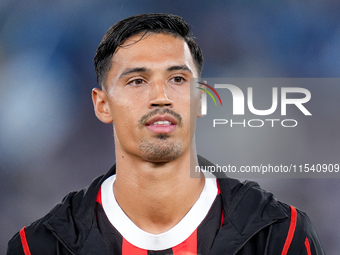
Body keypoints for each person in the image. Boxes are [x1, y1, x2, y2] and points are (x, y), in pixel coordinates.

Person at [7, 13, 324, 255]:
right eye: (137, 81)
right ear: (102, 104)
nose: (160, 96)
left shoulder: (280, 235)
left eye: (177, 79)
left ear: (201, 99)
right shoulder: (41, 244)